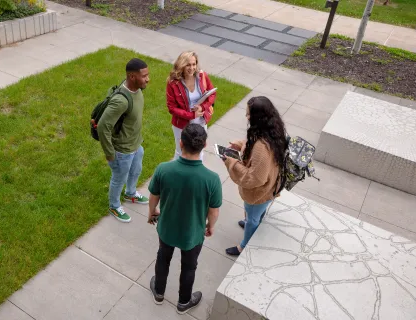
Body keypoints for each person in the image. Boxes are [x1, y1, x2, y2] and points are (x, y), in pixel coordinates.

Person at [147, 123, 222, 315]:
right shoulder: (212, 179)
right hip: (193, 233)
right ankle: (184, 302)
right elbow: (214, 211)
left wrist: (152, 212)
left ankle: (159, 292)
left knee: (163, 258)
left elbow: (154, 195)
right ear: (204, 145)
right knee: (189, 266)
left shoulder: (163, 169)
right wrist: (210, 226)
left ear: (181, 143)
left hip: (167, 228)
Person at [222, 96, 287, 256]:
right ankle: (255, 221)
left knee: (252, 218)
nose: (247, 117)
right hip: (271, 186)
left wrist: (231, 161)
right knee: (257, 213)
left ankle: (244, 246)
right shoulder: (274, 131)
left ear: (258, 118)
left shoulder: (261, 147)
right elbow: (256, 152)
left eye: (249, 114)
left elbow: (254, 178)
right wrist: (242, 145)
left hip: (259, 193)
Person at [97, 58, 150, 223]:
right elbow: (102, 126)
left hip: (135, 144)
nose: (148, 79)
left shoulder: (137, 88)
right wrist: (110, 154)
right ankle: (114, 205)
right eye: (144, 76)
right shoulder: (121, 101)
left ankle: (131, 193)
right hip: (122, 150)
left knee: (136, 171)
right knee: (119, 178)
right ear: (132, 77)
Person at [166, 51, 216, 161]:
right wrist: (191, 115)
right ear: (181, 65)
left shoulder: (202, 76)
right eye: (188, 65)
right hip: (182, 123)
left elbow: (212, 94)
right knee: (181, 152)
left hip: (201, 121)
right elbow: (171, 107)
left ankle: (197, 176)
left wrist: (203, 107)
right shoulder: (173, 82)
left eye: (194, 64)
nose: (192, 68)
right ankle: (177, 177)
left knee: (200, 150)